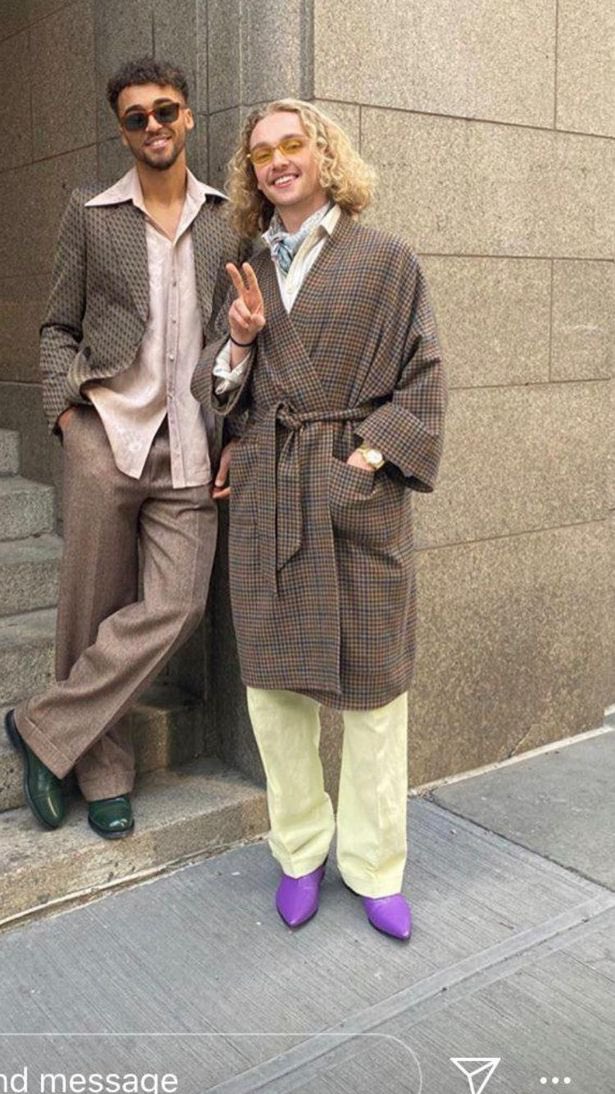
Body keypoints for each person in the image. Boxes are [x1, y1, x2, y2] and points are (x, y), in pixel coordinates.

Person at [191, 99, 447, 939]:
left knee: (374, 697)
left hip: (352, 494)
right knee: (273, 695)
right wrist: (236, 342)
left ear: (324, 155)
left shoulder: (387, 260)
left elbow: (424, 378)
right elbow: (215, 391)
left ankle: (374, 866)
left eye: (291, 144)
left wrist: (366, 462)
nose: (275, 161)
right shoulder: (243, 265)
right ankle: (299, 851)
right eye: (260, 152)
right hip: (269, 493)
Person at [4, 57, 246, 839]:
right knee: (91, 611)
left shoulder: (225, 220)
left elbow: (237, 340)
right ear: (122, 130)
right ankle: (104, 772)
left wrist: (235, 434)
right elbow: (57, 327)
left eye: (165, 110)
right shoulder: (91, 212)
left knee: (178, 603)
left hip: (191, 442)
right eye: (136, 117)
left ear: (187, 116)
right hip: (107, 433)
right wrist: (67, 421)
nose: (153, 126)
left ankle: (41, 726)